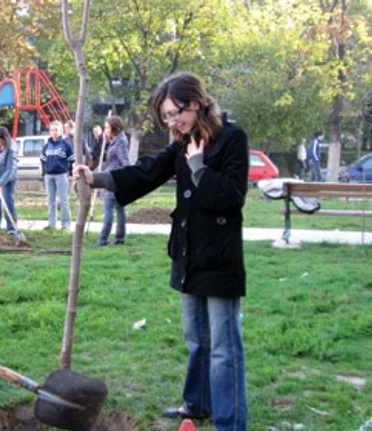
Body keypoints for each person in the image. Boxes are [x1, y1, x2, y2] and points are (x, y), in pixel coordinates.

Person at [75, 71, 248, 431]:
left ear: (196, 103)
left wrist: (199, 167)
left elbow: (232, 198)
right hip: (188, 254)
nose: (172, 122)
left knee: (223, 349)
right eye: (166, 117)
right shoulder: (184, 142)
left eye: (175, 113)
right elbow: (147, 171)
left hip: (219, 258)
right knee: (197, 340)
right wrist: (99, 179)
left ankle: (230, 424)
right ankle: (196, 404)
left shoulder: (232, 138)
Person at [92, 116, 130, 247]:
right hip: (114, 176)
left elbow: (126, 162)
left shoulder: (121, 142)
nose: (105, 130)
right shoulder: (115, 140)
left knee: (110, 208)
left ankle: (104, 238)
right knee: (119, 209)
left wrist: (124, 180)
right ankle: (119, 238)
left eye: (107, 127)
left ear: (115, 127)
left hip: (114, 179)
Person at [41, 120, 74, 230]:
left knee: (63, 201)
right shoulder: (47, 146)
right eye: (52, 130)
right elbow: (43, 160)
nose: (54, 132)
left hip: (61, 175)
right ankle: (51, 224)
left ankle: (66, 224)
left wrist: (70, 173)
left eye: (56, 130)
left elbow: (71, 160)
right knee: (51, 201)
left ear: (61, 131)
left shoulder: (66, 145)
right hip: (49, 176)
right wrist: (44, 171)